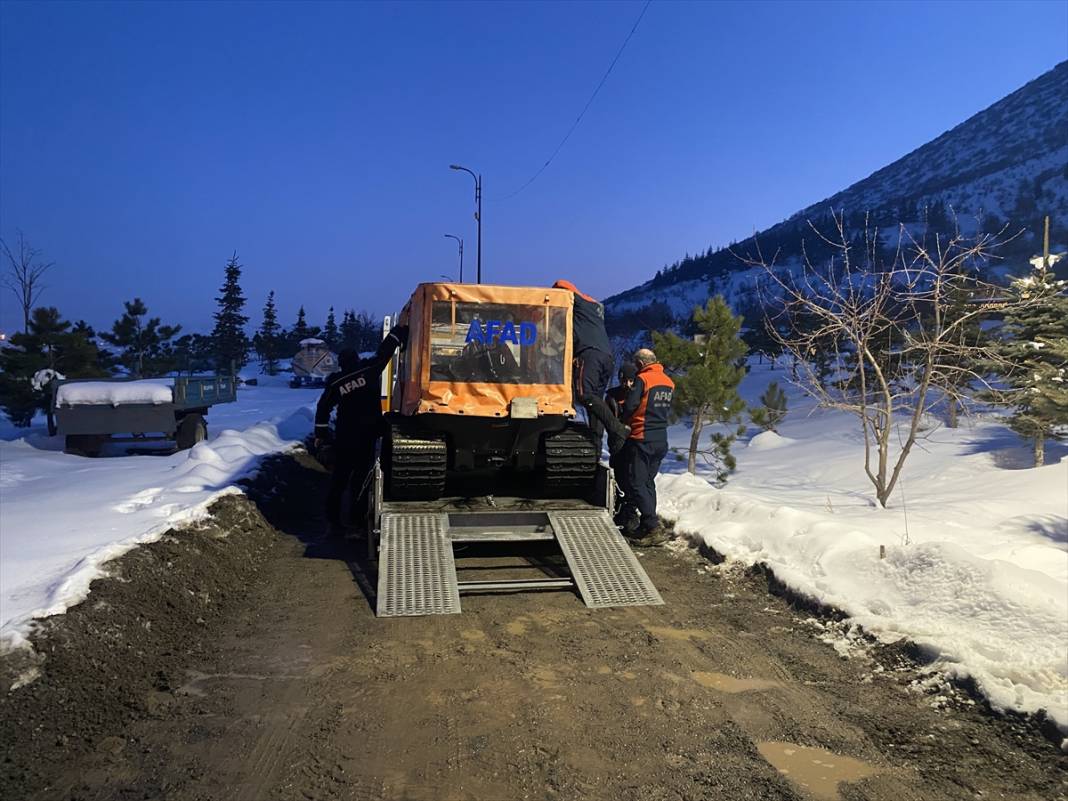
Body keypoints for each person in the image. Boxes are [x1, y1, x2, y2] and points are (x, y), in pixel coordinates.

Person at [314, 325, 408, 537]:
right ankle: (357, 522)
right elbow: (384, 354)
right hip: (368, 436)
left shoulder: (336, 382)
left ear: (341, 364)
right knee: (361, 481)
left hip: (345, 437)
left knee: (339, 480)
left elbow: (323, 408)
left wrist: (321, 435)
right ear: (356, 359)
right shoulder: (370, 370)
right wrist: (397, 333)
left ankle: (333, 522)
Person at [618, 348, 675, 547]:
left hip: (642, 437)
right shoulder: (668, 382)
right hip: (661, 438)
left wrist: (622, 418)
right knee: (648, 482)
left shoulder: (643, 380)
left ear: (641, 364)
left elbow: (631, 406)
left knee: (637, 482)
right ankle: (646, 524)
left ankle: (652, 527)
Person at [552, 280, 614, 443]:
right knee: (596, 401)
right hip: (606, 356)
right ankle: (597, 442)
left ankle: (616, 428)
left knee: (585, 394)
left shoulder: (574, 299)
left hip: (590, 354)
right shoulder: (594, 306)